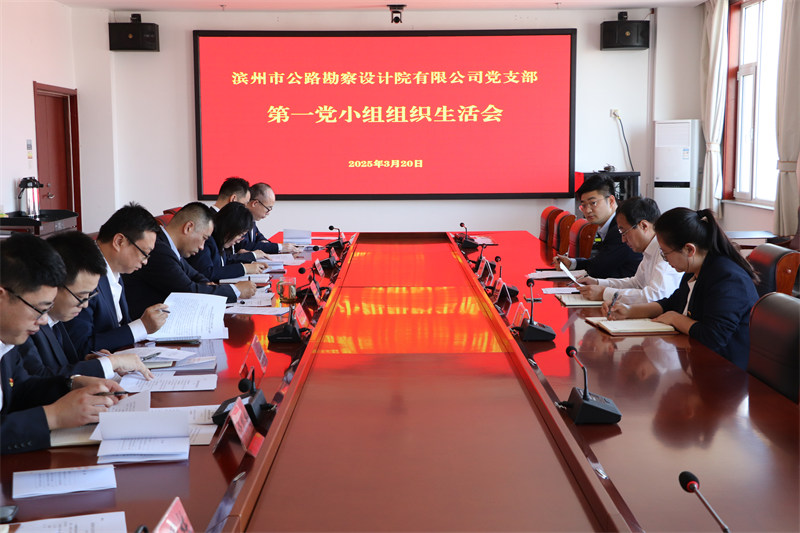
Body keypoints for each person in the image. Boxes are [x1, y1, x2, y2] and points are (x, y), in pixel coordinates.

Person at [1, 233, 125, 454]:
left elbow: (21, 389)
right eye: (39, 309)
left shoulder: (7, 344)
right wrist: (54, 416)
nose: (43, 321)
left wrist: (71, 384)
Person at [605, 208, 759, 370]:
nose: (665, 260)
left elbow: (714, 337)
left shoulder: (727, 278)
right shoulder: (694, 268)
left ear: (689, 250)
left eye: (665, 254)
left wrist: (675, 319)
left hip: (726, 370)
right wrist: (629, 311)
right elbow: (672, 303)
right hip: (698, 361)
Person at [19, 231, 153, 380]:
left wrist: (93, 363)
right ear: (53, 285)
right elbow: (38, 380)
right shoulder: (24, 326)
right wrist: (109, 364)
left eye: (90, 295)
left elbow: (63, 366)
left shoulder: (57, 319)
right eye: (81, 296)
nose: (85, 304)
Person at [64, 203, 168, 355]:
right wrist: (141, 327)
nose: (145, 261)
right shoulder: (85, 274)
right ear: (119, 241)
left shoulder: (116, 270)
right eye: (144, 253)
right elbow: (81, 347)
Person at [123, 202, 256, 318]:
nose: (202, 246)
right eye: (203, 238)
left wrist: (208, 285)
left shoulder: (170, 246)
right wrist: (235, 290)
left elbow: (195, 275)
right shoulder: (158, 249)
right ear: (188, 228)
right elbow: (189, 291)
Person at [577, 196, 682, 304]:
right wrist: (598, 283)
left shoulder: (665, 251)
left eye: (624, 232)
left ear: (644, 226)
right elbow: (636, 283)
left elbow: (656, 296)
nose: (623, 240)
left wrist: (604, 293)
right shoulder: (650, 249)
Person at [553, 173, 642, 278]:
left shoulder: (620, 229)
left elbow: (598, 269)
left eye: (593, 203)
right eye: (583, 205)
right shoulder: (610, 225)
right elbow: (600, 261)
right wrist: (572, 263)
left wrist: (575, 264)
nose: (587, 210)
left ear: (611, 201)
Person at [188, 202, 266, 281]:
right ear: (230, 228)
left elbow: (225, 262)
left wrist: (249, 265)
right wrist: (245, 268)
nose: (239, 241)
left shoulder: (218, 239)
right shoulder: (206, 240)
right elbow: (206, 273)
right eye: (240, 235)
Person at [235, 182, 303, 255]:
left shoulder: (251, 219)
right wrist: (280, 247)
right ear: (255, 203)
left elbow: (259, 237)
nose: (268, 213)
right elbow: (243, 245)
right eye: (268, 208)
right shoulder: (238, 218)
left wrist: (265, 244)